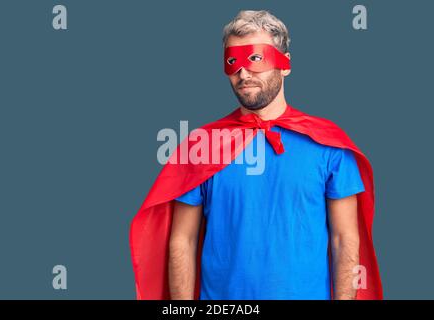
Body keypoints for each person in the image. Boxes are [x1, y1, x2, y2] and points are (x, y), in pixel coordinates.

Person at [130, 10, 382, 300]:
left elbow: (345, 240)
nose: (243, 72)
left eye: (255, 58)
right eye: (232, 61)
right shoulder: (202, 145)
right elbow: (182, 241)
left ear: (285, 64)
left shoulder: (328, 144)